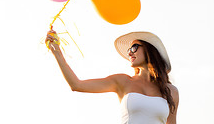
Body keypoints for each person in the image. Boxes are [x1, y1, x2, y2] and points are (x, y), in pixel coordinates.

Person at [46, 30, 179, 124]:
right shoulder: (123, 81)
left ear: (150, 50)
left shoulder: (171, 91)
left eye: (134, 48)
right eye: (129, 50)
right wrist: (57, 52)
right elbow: (77, 85)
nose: (130, 53)